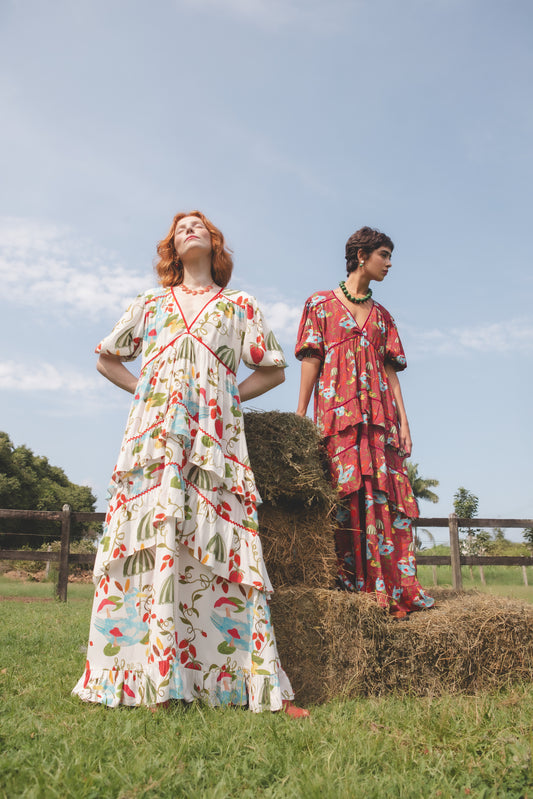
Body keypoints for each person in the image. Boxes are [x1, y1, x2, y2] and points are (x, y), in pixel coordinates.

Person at [73, 211, 309, 716]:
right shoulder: (149, 303)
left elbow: (274, 370)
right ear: (172, 249)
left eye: (198, 225)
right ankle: (152, 677)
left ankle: (244, 682)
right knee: (153, 536)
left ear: (215, 243)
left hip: (214, 439)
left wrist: (228, 396)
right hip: (154, 436)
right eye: (180, 228)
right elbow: (107, 359)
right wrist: (147, 392)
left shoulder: (240, 305)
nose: (189, 229)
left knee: (219, 542)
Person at [295, 226, 434, 618]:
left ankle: (384, 587)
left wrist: (404, 423)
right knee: (343, 494)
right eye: (384, 255)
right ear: (361, 255)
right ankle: (348, 587)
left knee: (382, 497)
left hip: (379, 419)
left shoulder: (383, 317)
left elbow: (391, 374)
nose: (389, 264)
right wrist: (300, 417)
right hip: (337, 417)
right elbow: (311, 361)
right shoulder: (320, 304)